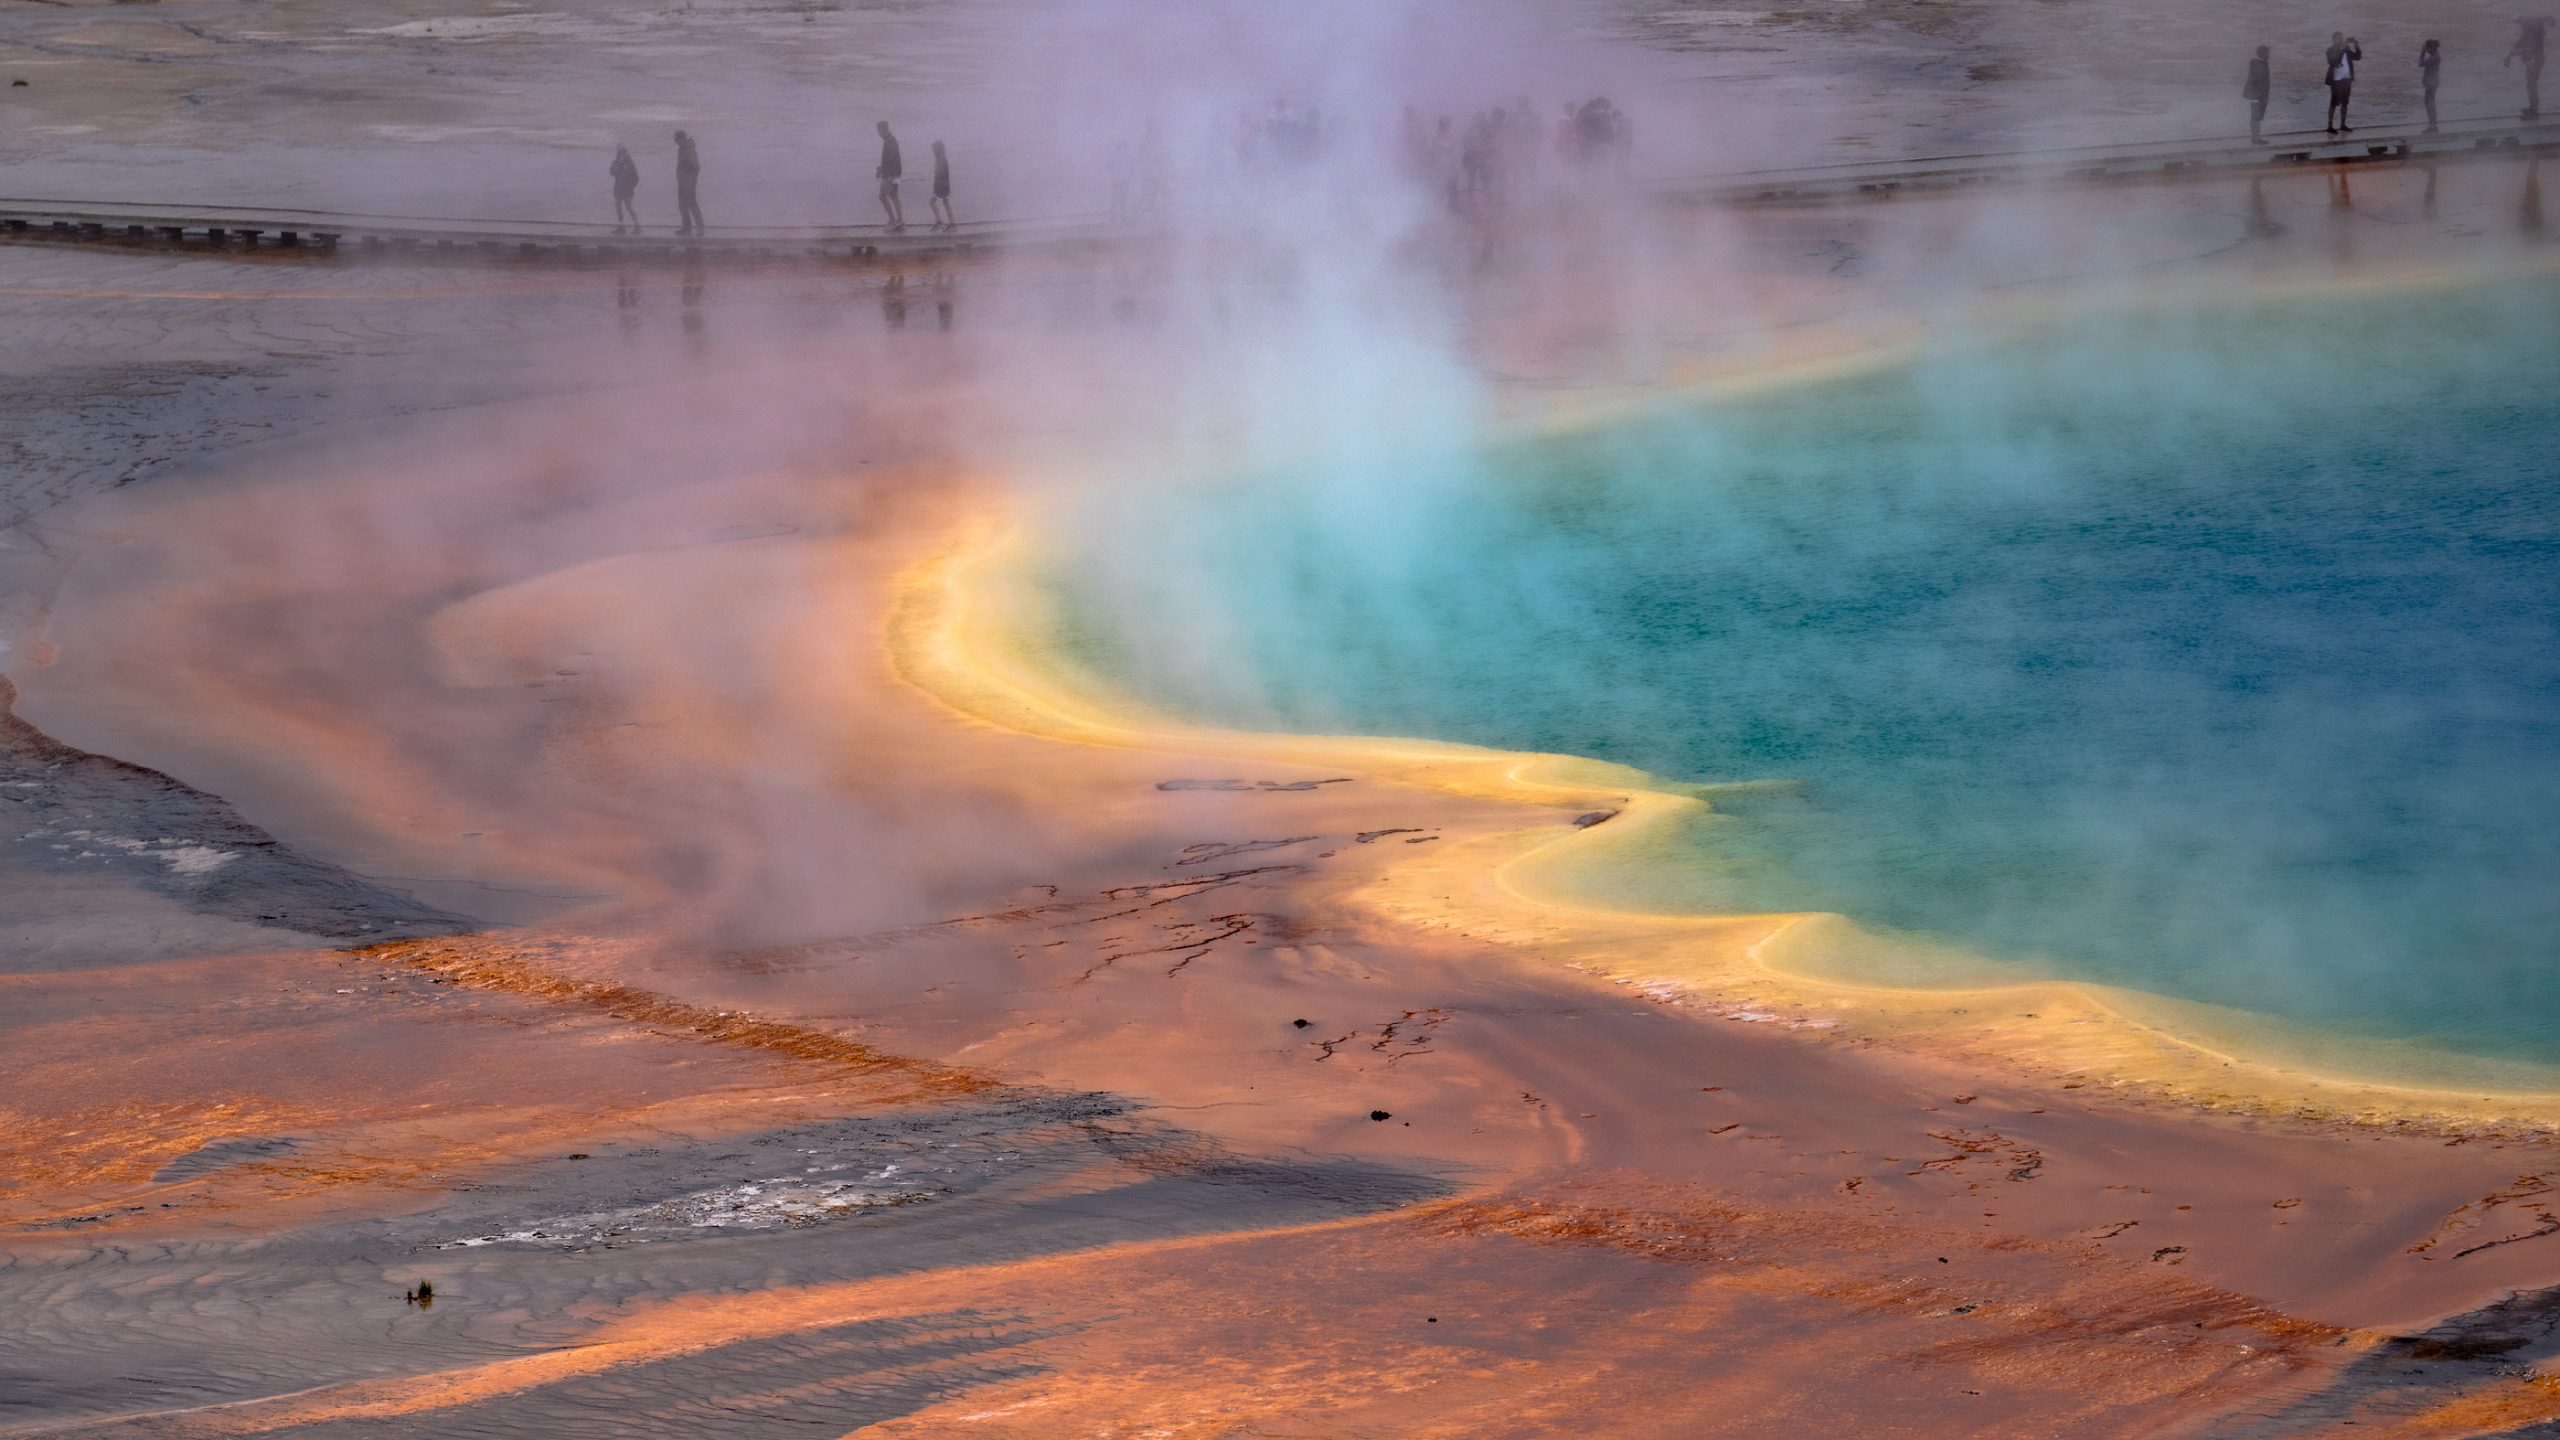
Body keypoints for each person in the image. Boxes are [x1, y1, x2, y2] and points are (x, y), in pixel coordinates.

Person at [2511, 17, 2551, 120]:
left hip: (2534, 60)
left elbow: (2530, 48)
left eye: (2520, 23)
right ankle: (2533, 108)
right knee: (2531, 84)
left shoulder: (2531, 33)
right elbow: (2521, 42)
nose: (2520, 26)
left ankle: (2534, 110)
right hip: (2535, 59)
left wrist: (2516, 52)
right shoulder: (2530, 32)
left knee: (2532, 84)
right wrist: (2512, 52)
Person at [2324, 32, 2362, 135]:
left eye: (2341, 38)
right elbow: (2333, 62)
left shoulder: (2346, 49)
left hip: (2347, 78)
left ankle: (2343, 124)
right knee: (2334, 103)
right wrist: (2342, 50)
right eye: (2338, 39)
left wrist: (2356, 45)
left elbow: (2357, 57)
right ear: (2333, 40)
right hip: (2336, 80)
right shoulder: (2330, 50)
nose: (2340, 40)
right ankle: (2330, 126)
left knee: (2345, 103)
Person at [875, 121, 905, 231]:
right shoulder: (891, 139)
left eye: (878, 131)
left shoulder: (889, 142)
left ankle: (893, 220)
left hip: (890, 174)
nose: (878, 133)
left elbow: (889, 160)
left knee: (882, 197)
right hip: (896, 173)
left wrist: (882, 171)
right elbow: (893, 159)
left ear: (883, 130)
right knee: (894, 196)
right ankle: (900, 220)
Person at [673, 131, 703, 235]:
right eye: (676, 140)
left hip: (688, 182)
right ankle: (686, 228)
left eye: (677, 140)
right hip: (681, 181)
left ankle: (700, 228)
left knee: (692, 204)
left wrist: (691, 179)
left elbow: (696, 166)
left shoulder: (689, 149)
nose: (676, 142)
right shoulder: (681, 149)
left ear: (682, 139)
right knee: (682, 205)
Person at [2244, 45, 2273, 143]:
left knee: (2257, 116)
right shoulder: (2258, 64)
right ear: (2263, 54)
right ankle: (2256, 138)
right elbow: (2256, 81)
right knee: (2256, 116)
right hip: (2257, 96)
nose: (2269, 54)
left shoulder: (2260, 63)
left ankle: (2256, 137)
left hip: (2259, 95)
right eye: (2267, 52)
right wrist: (2257, 96)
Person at [609, 144, 640, 232]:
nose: (624, 153)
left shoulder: (630, 163)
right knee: (618, 207)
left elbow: (636, 177)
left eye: (625, 152)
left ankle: (637, 225)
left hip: (627, 189)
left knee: (628, 207)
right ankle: (621, 226)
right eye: (621, 152)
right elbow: (612, 172)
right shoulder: (615, 162)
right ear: (618, 153)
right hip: (618, 188)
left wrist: (631, 186)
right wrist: (619, 162)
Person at [928, 139, 955, 232]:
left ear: (937, 150)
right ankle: (951, 223)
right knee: (945, 202)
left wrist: (936, 188)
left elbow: (940, 174)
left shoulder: (940, 160)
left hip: (941, 186)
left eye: (934, 150)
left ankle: (939, 222)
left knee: (932, 202)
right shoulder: (942, 159)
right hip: (944, 185)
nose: (933, 152)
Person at [2420, 39, 2444, 132]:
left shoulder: (2434, 57)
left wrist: (2422, 52)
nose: (2426, 49)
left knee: (2430, 104)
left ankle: (2433, 126)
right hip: (2432, 83)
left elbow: (2421, 63)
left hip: (2431, 84)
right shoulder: (2434, 56)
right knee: (2430, 104)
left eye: (2427, 47)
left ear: (2432, 47)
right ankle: (2432, 125)